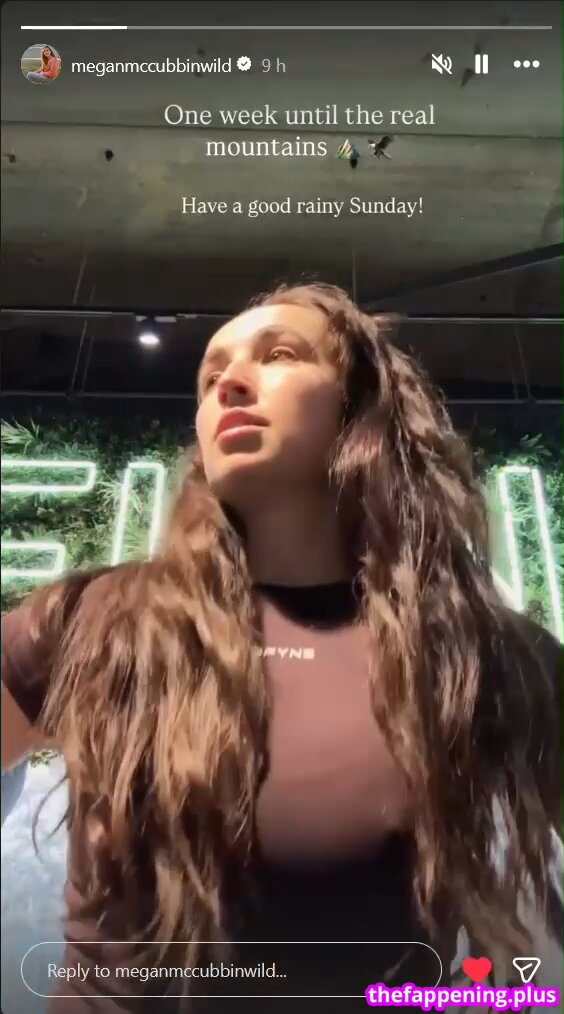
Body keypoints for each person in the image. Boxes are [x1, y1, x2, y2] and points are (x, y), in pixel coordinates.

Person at [1, 282, 562, 1013]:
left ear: (361, 407)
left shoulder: (481, 653)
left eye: (280, 355)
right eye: (211, 374)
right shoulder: (94, 619)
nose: (228, 383)